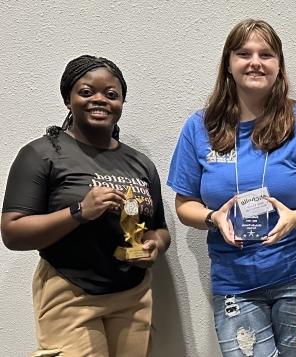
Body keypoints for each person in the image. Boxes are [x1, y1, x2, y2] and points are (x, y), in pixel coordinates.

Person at [167, 19, 296, 356]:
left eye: (266, 54)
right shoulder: (199, 127)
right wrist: (212, 219)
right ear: (228, 64)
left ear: (278, 65)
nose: (255, 62)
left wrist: (293, 218)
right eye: (244, 53)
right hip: (235, 280)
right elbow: (184, 203)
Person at [1, 55, 170, 356]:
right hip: (70, 291)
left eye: (111, 94)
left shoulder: (140, 163)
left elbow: (159, 228)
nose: (100, 100)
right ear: (68, 99)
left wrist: (154, 245)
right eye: (87, 92)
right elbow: (12, 233)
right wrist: (79, 212)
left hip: (133, 295)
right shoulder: (41, 154)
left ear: (121, 103)